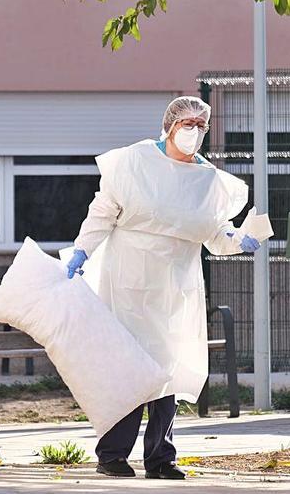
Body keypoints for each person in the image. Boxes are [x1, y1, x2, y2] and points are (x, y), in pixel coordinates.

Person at [67, 96, 261, 480]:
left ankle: (161, 458)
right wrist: (81, 250)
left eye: (201, 126)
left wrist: (238, 239)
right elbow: (103, 210)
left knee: (168, 369)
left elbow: (213, 232)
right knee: (129, 368)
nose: (194, 131)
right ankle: (112, 455)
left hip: (176, 284)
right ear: (170, 124)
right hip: (127, 279)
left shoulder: (208, 179)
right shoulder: (135, 162)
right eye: (187, 123)